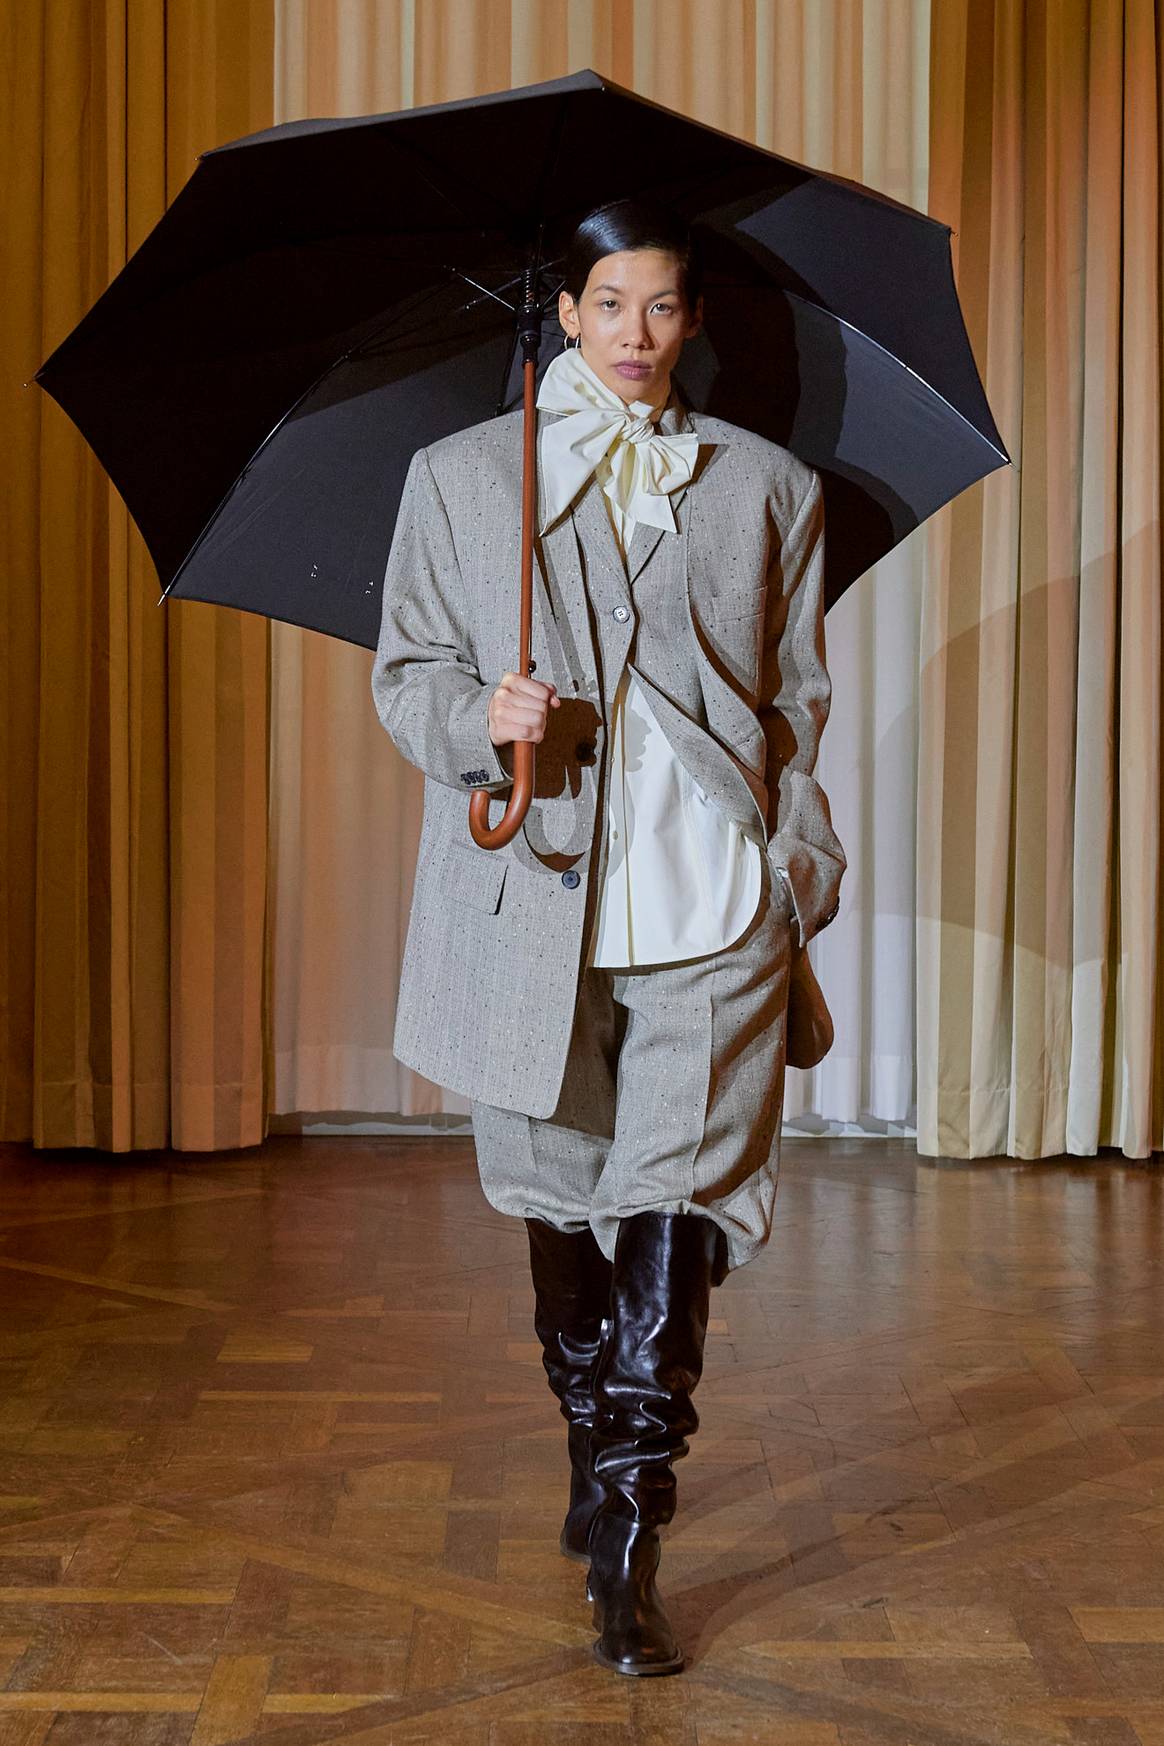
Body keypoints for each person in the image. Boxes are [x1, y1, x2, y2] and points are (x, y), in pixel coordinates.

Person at [372, 198, 846, 1678]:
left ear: (690, 319)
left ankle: (634, 1534)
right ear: (565, 313)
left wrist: (796, 863)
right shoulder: (462, 480)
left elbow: (794, 703)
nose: (638, 334)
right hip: (535, 905)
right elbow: (407, 673)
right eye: (611, 304)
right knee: (563, 1200)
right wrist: (482, 713)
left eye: (664, 306)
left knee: (676, 1199)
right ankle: (589, 1445)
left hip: (713, 902)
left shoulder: (765, 485)